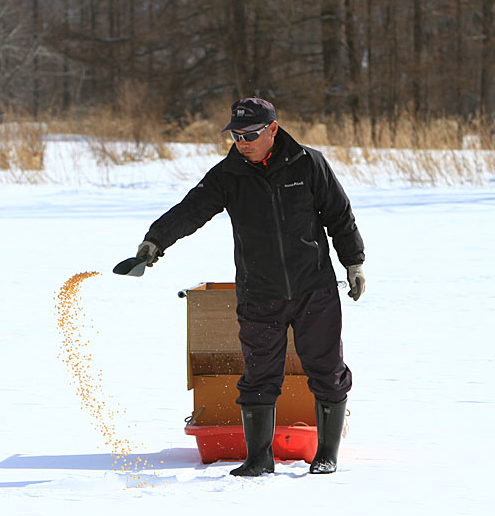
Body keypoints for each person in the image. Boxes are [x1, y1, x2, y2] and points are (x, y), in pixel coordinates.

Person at [134, 97, 365, 476]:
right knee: (259, 376)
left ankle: (326, 454)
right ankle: (259, 458)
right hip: (260, 295)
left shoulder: (309, 164)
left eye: (251, 134)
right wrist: (154, 241)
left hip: (314, 290)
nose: (242, 141)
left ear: (273, 129)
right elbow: (190, 210)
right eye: (237, 135)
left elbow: (339, 216)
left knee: (326, 370)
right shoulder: (228, 175)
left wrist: (353, 262)